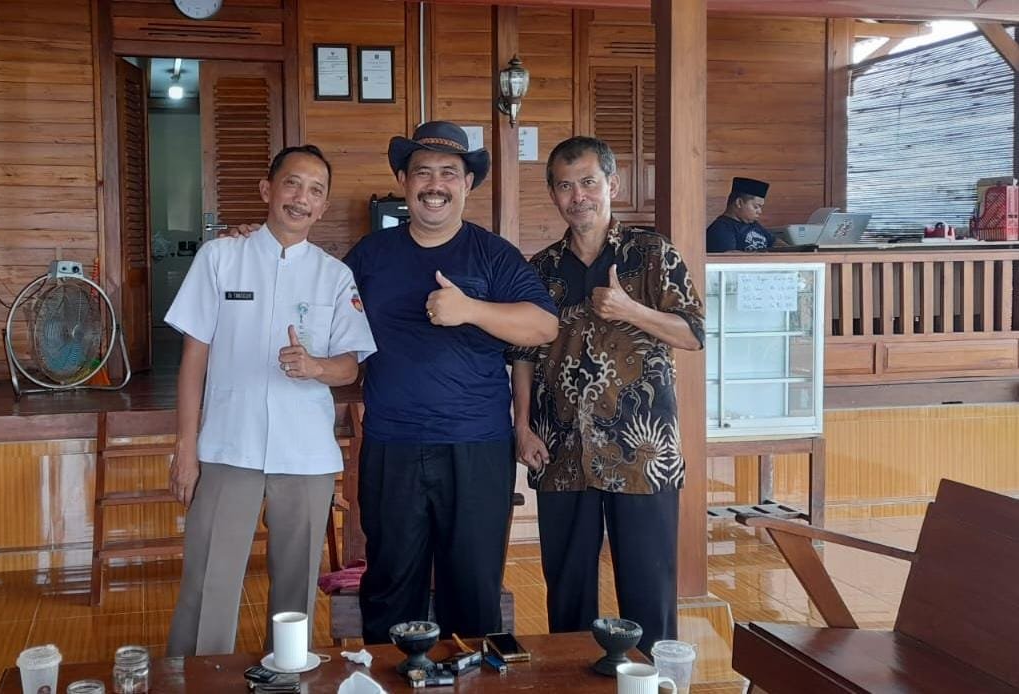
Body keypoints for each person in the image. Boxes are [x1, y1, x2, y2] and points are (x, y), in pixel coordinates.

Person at [343, 121, 559, 644]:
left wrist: (471, 309)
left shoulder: (493, 254)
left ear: (466, 184)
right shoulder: (370, 255)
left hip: (476, 445)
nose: (434, 185)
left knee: (473, 586)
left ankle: (472, 675)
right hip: (392, 444)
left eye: (448, 173)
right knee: (390, 584)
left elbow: (543, 325)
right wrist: (256, 242)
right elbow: (316, 301)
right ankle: (390, 675)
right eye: (422, 173)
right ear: (403, 181)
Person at [164, 145, 376, 657]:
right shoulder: (220, 258)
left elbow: (350, 366)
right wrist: (186, 448)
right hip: (227, 448)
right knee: (207, 584)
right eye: (292, 184)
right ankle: (197, 682)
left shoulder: (334, 276)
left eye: (315, 191)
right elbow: (193, 359)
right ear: (267, 190)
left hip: (305, 457)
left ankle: (286, 678)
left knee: (295, 594)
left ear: (322, 207)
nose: (302, 198)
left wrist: (316, 367)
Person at [509, 136, 705, 654]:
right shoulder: (540, 268)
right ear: (553, 194)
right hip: (560, 450)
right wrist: (522, 427)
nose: (579, 197)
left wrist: (630, 309)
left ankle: (651, 684)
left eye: (588, 183)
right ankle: (571, 683)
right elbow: (522, 355)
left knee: (649, 592)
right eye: (565, 186)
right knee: (568, 594)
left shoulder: (652, 253)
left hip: (642, 453)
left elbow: (693, 334)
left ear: (612, 185)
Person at [707, 176, 774, 252]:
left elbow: (774, 242)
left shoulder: (753, 224)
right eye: (756, 207)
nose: (759, 211)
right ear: (739, 203)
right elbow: (730, 257)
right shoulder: (721, 229)